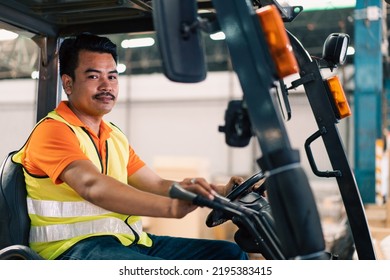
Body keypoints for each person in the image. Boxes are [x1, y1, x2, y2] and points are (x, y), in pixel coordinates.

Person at [13, 33, 248, 260]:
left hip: (126, 241)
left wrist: (220, 191)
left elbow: (157, 184)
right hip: (71, 250)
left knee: (229, 255)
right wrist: (170, 208)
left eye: (113, 76)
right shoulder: (53, 130)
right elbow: (92, 185)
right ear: (68, 83)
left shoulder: (114, 136)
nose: (107, 85)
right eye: (94, 77)